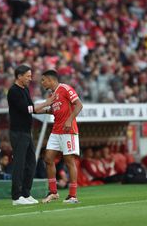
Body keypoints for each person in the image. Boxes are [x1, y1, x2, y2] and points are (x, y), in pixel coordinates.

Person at [7, 64, 54, 206]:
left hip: (26, 132)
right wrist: (47, 102)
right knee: (19, 164)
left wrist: (47, 110)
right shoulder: (13, 91)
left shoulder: (25, 89)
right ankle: (16, 197)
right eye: (27, 76)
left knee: (31, 163)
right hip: (18, 132)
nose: (30, 78)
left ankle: (25, 193)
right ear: (19, 76)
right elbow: (27, 109)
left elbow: (32, 109)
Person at [40, 69, 83, 204]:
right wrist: (41, 110)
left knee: (69, 160)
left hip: (68, 130)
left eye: (43, 80)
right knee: (48, 159)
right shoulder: (53, 94)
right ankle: (53, 192)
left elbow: (79, 105)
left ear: (51, 80)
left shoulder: (64, 88)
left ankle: (72, 195)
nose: (42, 83)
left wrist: (70, 119)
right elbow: (56, 110)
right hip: (56, 131)